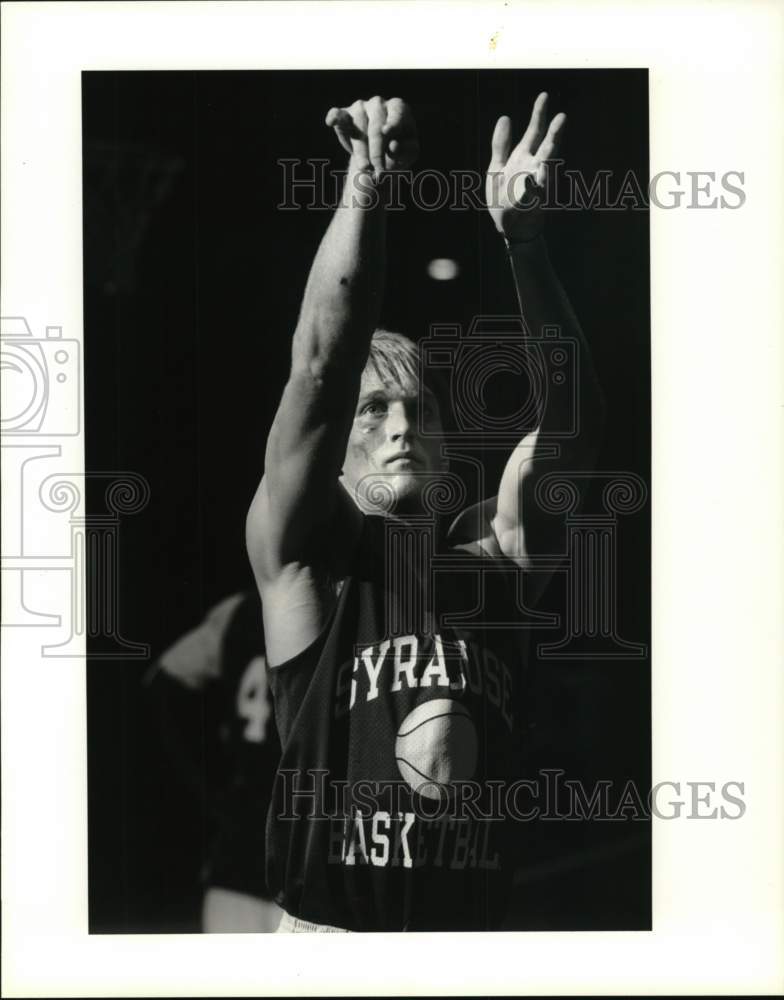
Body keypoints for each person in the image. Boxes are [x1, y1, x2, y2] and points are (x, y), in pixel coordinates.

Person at [246, 92, 604, 931]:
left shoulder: (498, 560)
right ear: (334, 451)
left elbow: (576, 428)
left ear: (446, 447)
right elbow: (322, 366)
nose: (402, 426)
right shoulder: (309, 554)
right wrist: (366, 186)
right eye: (374, 411)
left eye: (421, 410)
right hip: (332, 943)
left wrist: (526, 246)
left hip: (468, 945)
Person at [147, 591, 283, 932]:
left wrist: (209, 781)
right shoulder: (353, 605)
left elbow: (163, 678)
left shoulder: (239, 610)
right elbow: (165, 682)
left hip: (240, 853)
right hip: (293, 852)